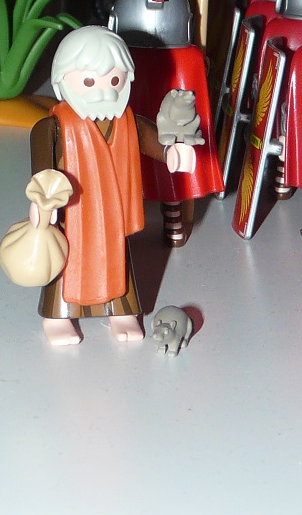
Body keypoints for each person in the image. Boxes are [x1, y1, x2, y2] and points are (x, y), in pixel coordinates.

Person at [29, 26, 197, 345]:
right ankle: (59, 316)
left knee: (118, 260)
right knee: (67, 260)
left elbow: (153, 138)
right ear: (62, 80)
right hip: (71, 214)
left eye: (114, 81)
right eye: (89, 82)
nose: (104, 91)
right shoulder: (51, 128)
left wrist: (172, 151)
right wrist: (41, 202)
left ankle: (120, 312)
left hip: (113, 213)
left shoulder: (128, 122)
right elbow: (42, 172)